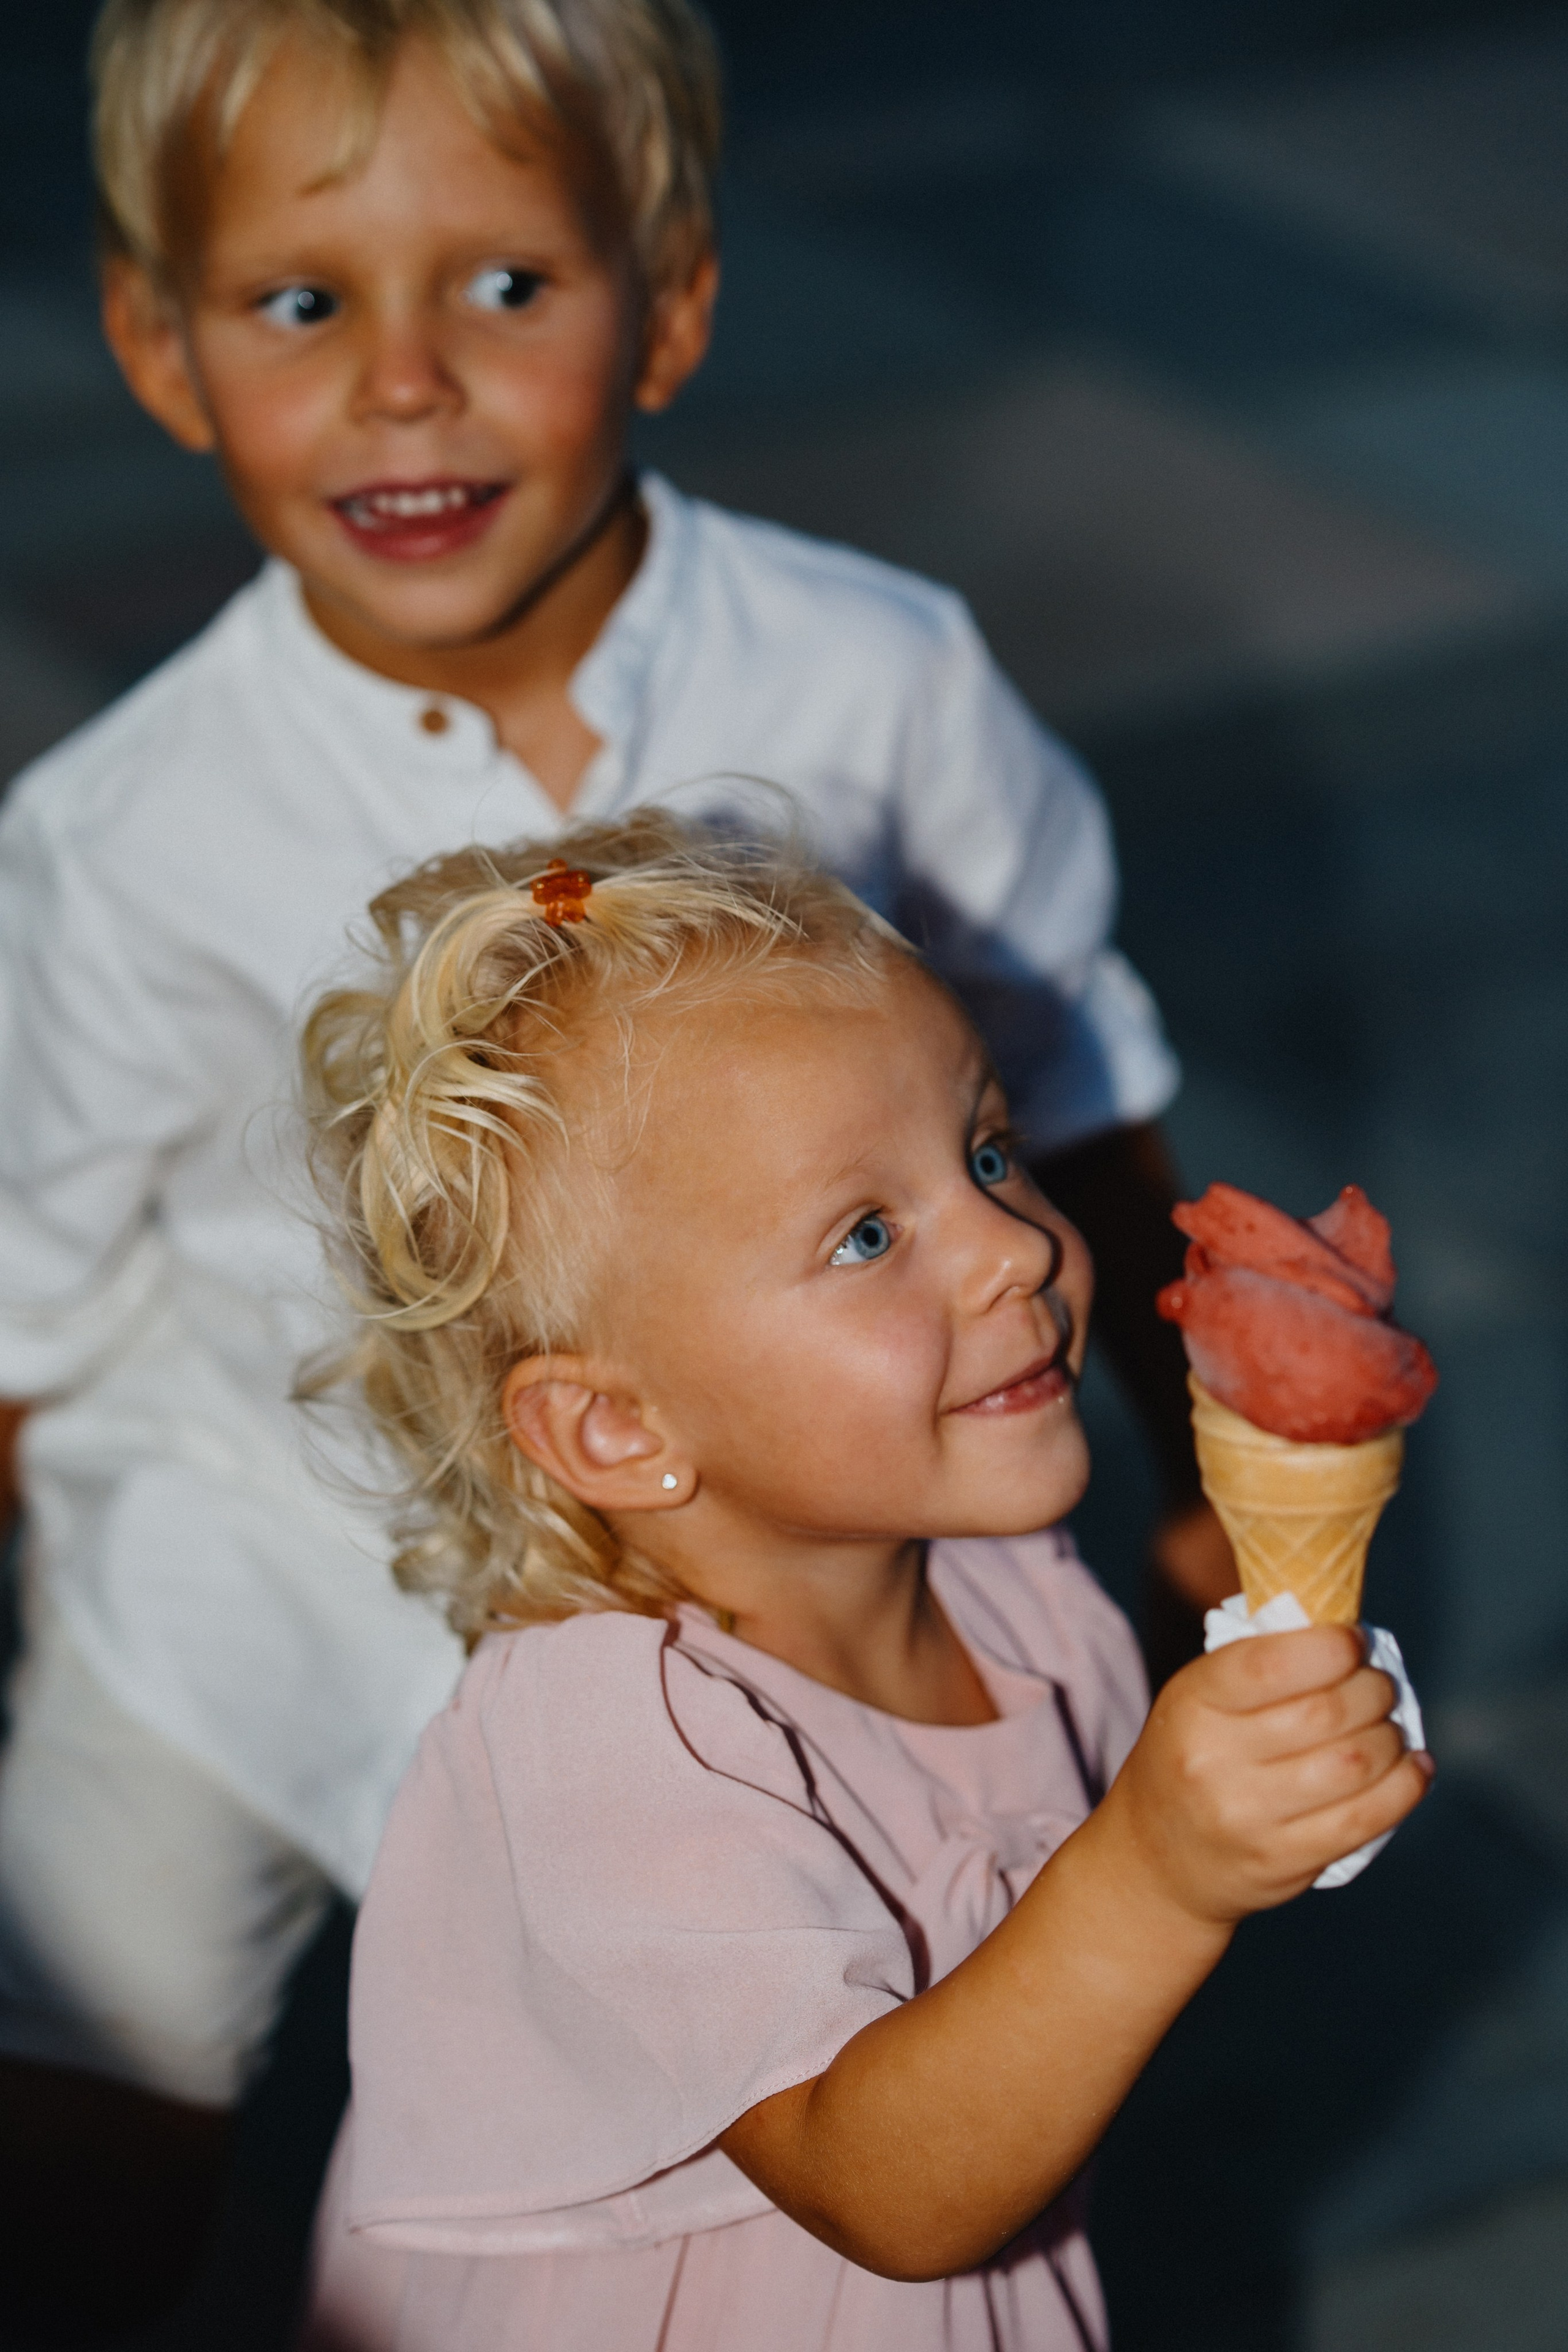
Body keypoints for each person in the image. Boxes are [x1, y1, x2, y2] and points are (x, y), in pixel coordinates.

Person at [0, 0, 1228, 2329]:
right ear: (160, 351)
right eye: (301, 300)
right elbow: (24, 1294)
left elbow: (1067, 1055)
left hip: (762, 1555)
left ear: (667, 303)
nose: (406, 383)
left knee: (858, 2037)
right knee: (90, 2085)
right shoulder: (118, 834)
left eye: (507, 283)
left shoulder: (877, 680)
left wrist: (1187, 1458)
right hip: (241, 1563)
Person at [296, 815, 1428, 2352]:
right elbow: (886, 2190)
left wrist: (1259, 1778)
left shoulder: (1011, 1586)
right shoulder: (602, 1747)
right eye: (867, 1233)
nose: (1010, 1248)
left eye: (987, 1152)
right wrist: (1159, 1869)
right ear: (619, 1430)